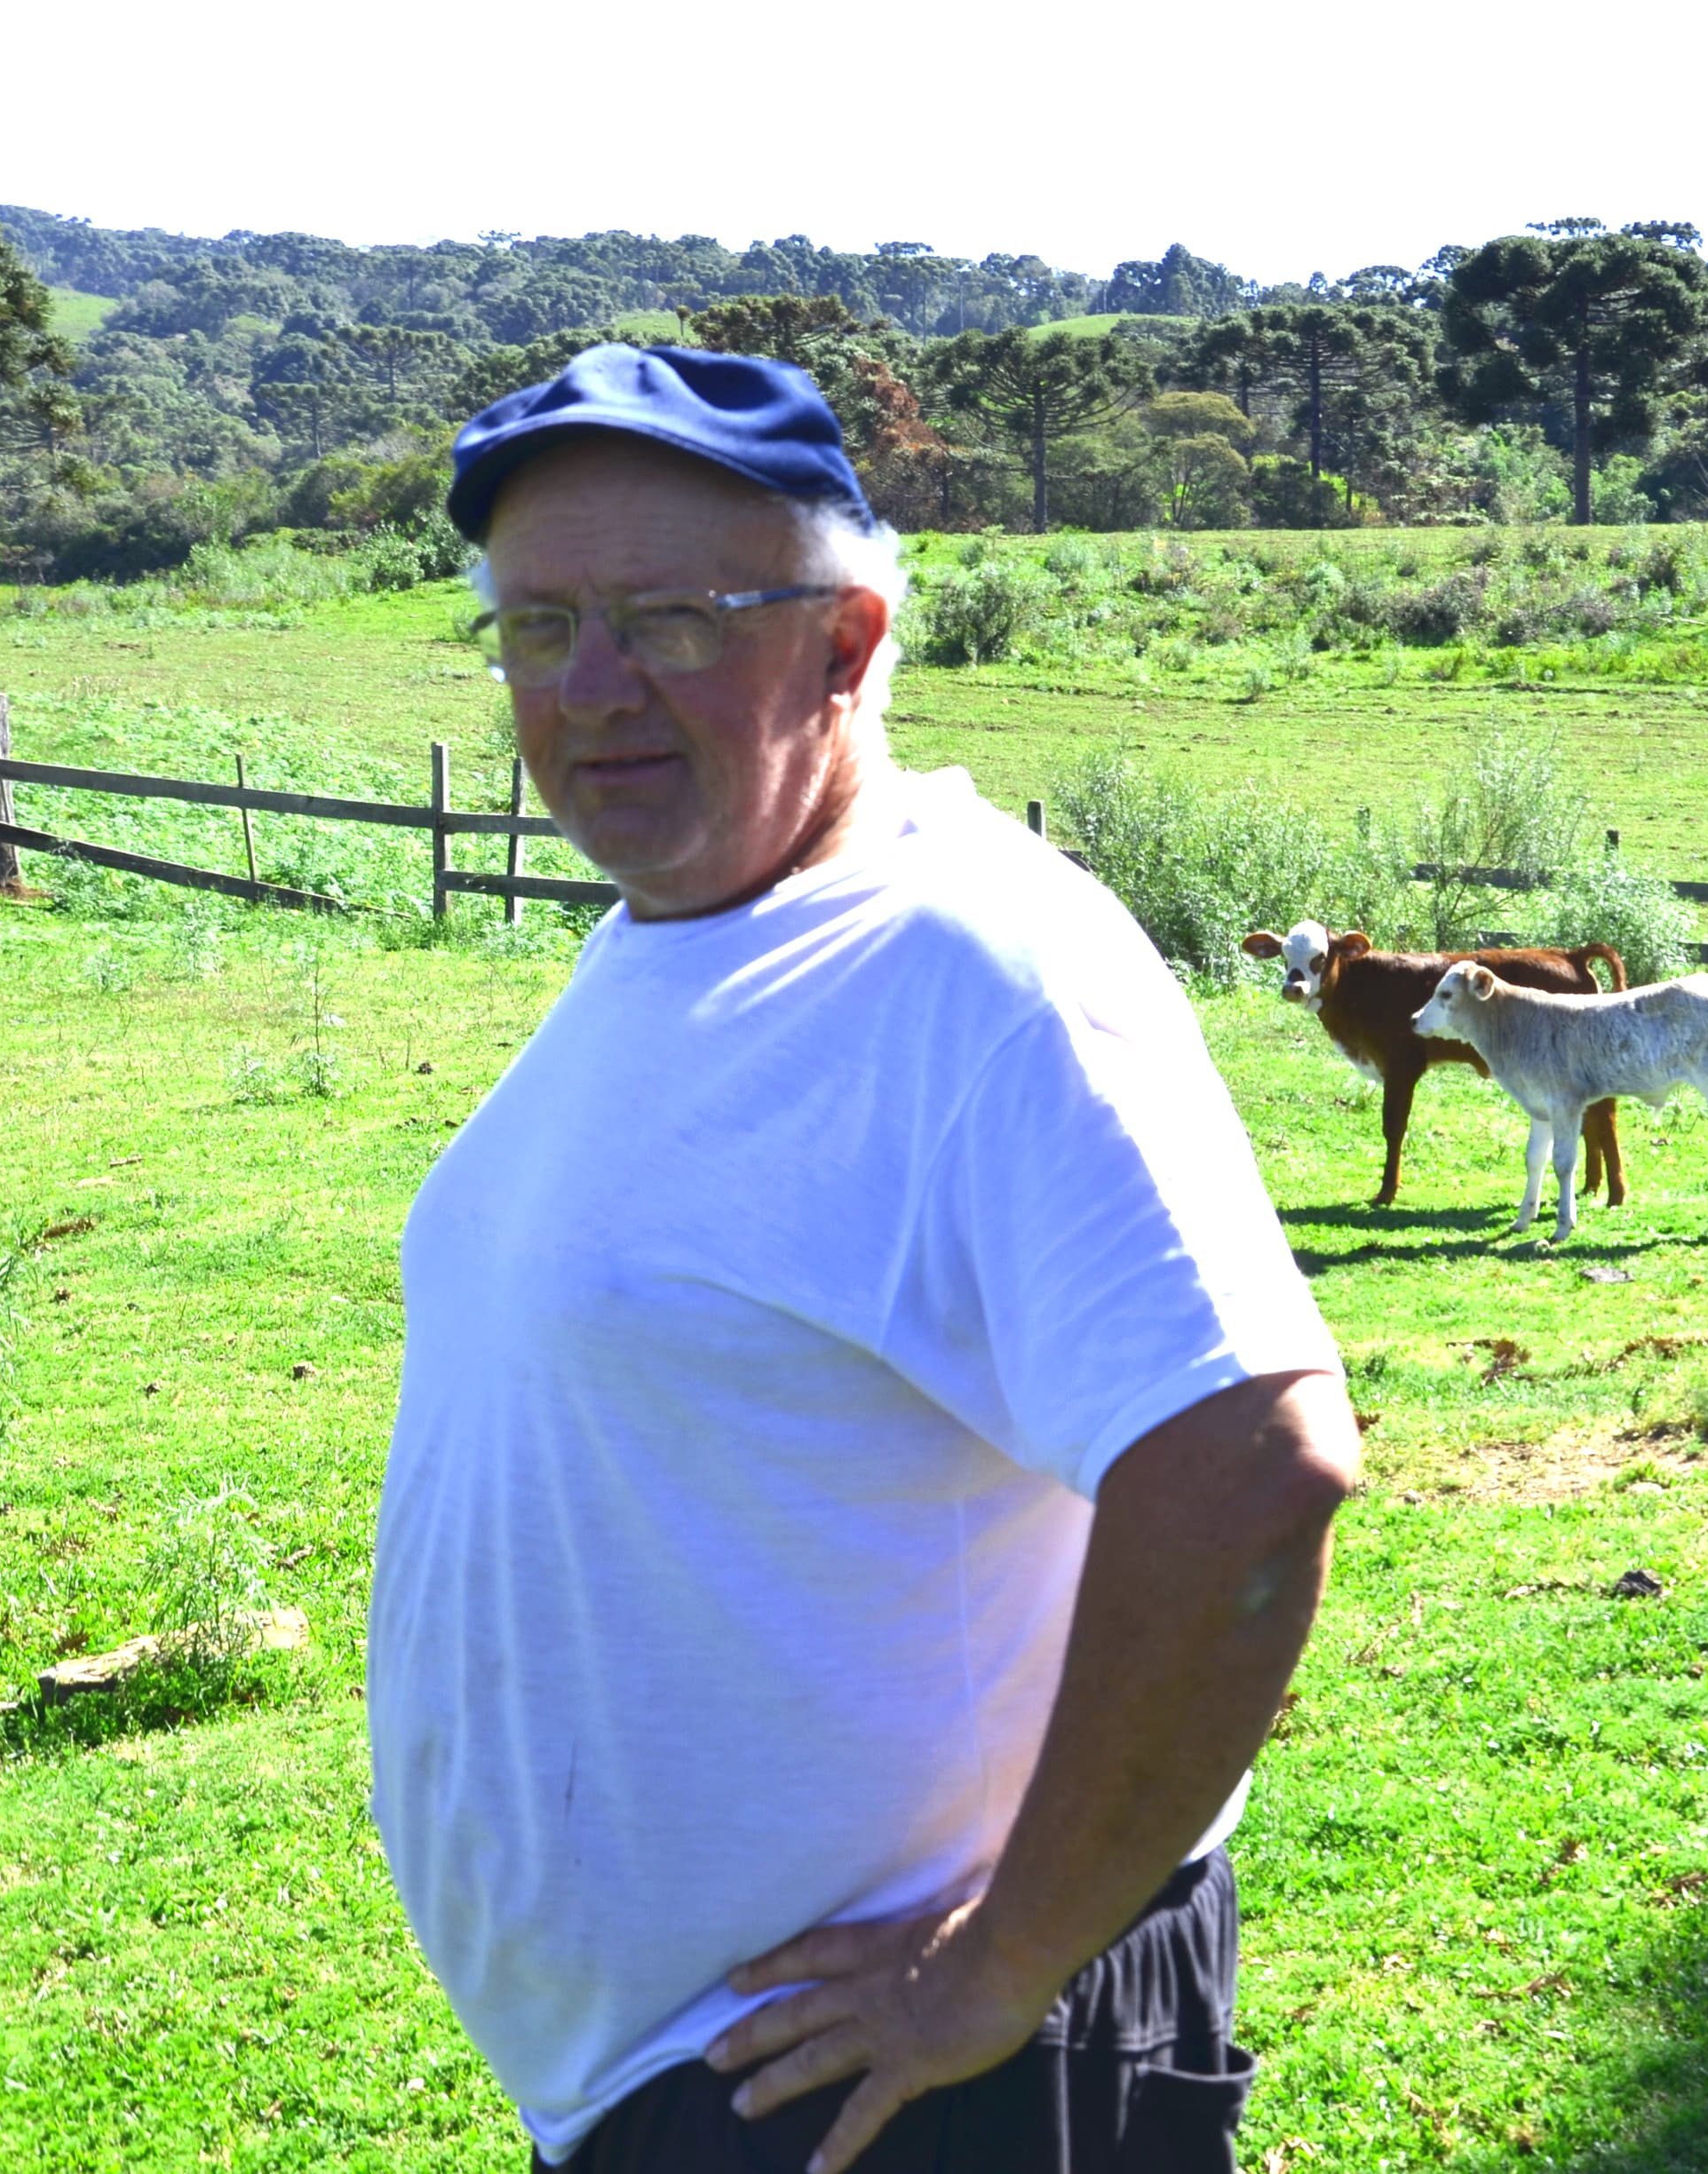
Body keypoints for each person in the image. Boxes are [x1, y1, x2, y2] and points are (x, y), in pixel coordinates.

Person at [367, 345, 1359, 2174]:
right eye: (537, 626)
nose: (590, 689)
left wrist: (995, 1975)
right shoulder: (691, 932)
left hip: (914, 2091)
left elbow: (1248, 1466)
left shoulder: (978, 966)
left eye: (670, 619)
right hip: (718, 2084)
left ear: (847, 645)